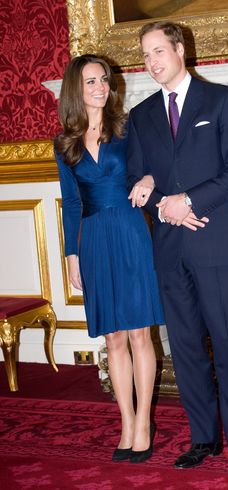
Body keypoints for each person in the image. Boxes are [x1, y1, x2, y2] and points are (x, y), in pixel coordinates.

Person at [127, 21, 228, 474]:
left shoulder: (222, 100)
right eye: (145, 55)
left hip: (218, 244)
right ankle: (202, 438)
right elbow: (136, 178)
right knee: (184, 349)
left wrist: (190, 201)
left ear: (180, 50)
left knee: (226, 345)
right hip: (169, 247)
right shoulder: (141, 115)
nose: (152, 62)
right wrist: (164, 203)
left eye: (159, 51)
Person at [54, 54, 164, 464]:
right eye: (91, 82)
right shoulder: (63, 143)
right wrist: (71, 254)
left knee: (139, 333)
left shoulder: (128, 127)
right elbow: (70, 204)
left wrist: (150, 179)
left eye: (104, 80)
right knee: (113, 337)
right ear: (75, 91)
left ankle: (143, 424)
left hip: (132, 232)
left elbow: (154, 168)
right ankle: (126, 421)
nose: (101, 87)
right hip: (95, 239)